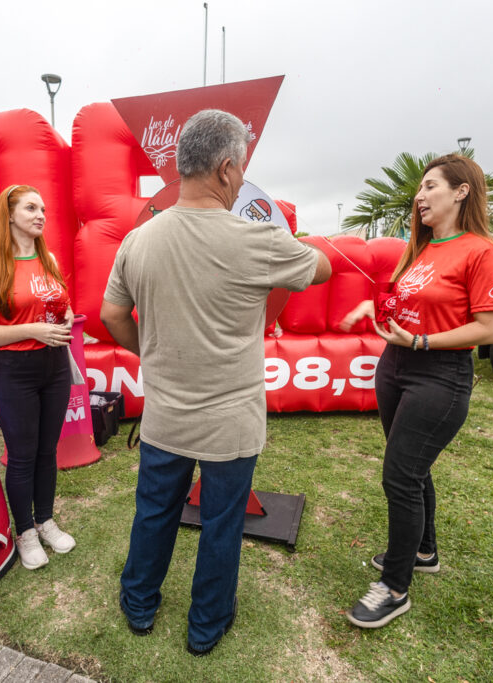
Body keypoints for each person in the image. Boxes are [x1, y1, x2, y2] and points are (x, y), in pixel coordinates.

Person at [100, 109, 332, 656]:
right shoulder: (258, 240)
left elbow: (111, 315)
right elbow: (321, 268)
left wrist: (151, 351)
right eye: (242, 168)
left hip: (165, 416)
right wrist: (289, 240)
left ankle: (139, 603)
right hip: (231, 423)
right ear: (227, 169)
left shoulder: (138, 240)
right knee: (222, 525)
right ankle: (206, 625)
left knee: (154, 513)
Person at [339, 154, 493, 628]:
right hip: (396, 366)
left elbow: (492, 328)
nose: (419, 196)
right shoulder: (423, 248)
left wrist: (421, 341)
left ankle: (394, 588)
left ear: (461, 191)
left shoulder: (482, 253)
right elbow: (408, 302)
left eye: (430, 186)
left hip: (439, 375)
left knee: (400, 476)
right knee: (412, 468)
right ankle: (423, 551)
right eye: (419, 188)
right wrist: (372, 309)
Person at [0, 185, 77, 571]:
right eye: (31, 208)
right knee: (23, 455)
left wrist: (64, 319)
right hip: (16, 372)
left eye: (43, 208)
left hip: (55, 367)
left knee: (48, 451)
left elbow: (63, 306)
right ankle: (25, 531)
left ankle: (45, 520)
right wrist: (31, 331)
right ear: (10, 215)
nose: (40, 215)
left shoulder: (49, 260)